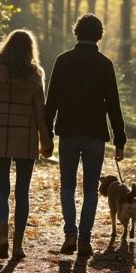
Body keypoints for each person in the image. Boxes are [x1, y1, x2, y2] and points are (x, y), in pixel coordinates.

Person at [45, 13, 126, 256]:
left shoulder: (63, 61)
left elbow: (52, 102)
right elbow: (113, 104)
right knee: (91, 189)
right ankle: (84, 240)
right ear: (99, 35)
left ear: (77, 32)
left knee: (67, 187)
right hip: (95, 135)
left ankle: (70, 233)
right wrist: (120, 139)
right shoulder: (104, 64)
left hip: (68, 133)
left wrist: (46, 134)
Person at [0, 29, 53, 260]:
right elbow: (40, 113)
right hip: (25, 137)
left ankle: (2, 240)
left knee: (2, 189)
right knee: (22, 192)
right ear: (30, 50)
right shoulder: (35, 74)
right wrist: (46, 141)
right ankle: (18, 246)